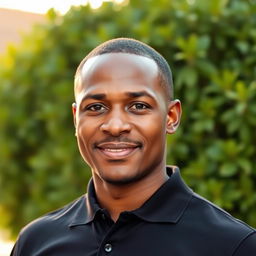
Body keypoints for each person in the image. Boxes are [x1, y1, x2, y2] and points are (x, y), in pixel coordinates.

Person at [11, 38, 256, 256]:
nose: (115, 126)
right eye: (96, 107)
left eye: (138, 106)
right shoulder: (35, 242)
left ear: (171, 116)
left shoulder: (233, 245)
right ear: (76, 119)